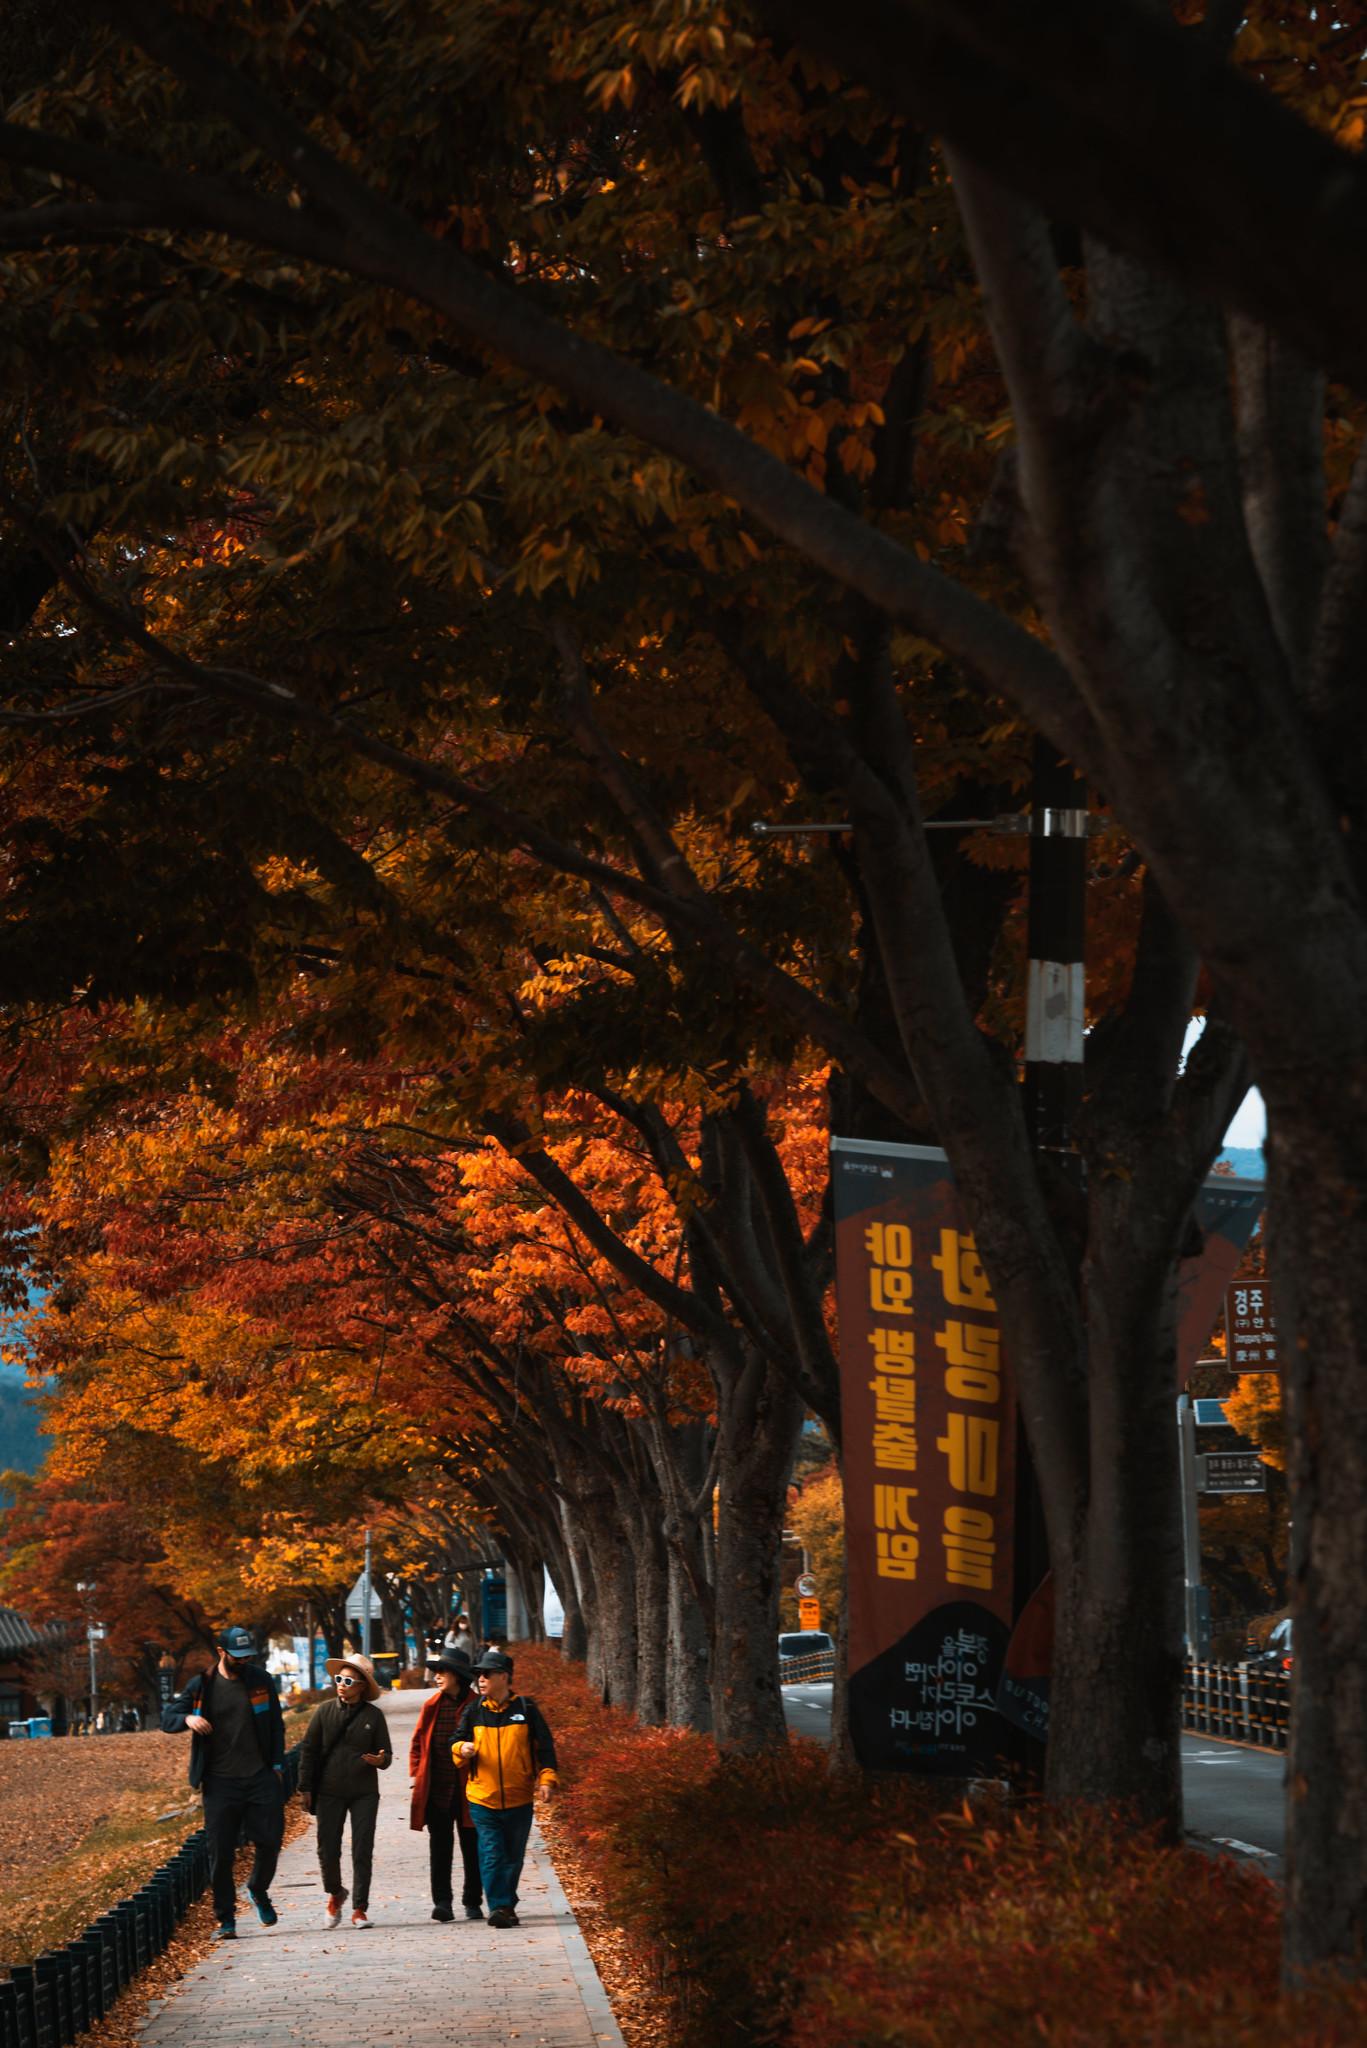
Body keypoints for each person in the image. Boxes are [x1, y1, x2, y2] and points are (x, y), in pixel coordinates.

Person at [161, 1624, 287, 1941]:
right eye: (237, 1655)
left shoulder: (261, 1681)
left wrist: (277, 1766)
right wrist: (188, 1718)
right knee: (221, 1853)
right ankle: (226, 1920)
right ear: (221, 1652)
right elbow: (168, 1718)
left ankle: (257, 1888)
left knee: (270, 1841)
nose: (243, 1661)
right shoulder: (201, 1686)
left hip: (260, 1776)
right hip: (220, 1783)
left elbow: (275, 1725)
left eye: (248, 1655)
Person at [454, 1648, 558, 1928]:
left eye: (487, 1674)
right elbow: (456, 1741)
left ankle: (506, 1904)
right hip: (482, 1798)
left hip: (519, 1798)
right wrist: (461, 1748)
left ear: (504, 1676)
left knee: (512, 1857)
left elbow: (545, 1750)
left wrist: (547, 1780)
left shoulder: (526, 1709)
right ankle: (499, 1906)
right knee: (491, 1852)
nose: (481, 1679)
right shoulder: (474, 1710)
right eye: (479, 1675)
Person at [298, 1653, 393, 1930]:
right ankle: (335, 1892)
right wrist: (305, 1787)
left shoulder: (373, 1716)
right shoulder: (324, 1712)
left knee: (362, 1848)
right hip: (328, 1790)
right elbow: (309, 1750)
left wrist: (381, 1760)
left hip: (364, 1791)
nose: (341, 1684)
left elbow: (386, 1754)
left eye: (348, 1680)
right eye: (339, 1679)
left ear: (362, 1685)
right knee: (327, 1848)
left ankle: (360, 1909)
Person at [409, 1648, 483, 1922]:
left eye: (443, 1672)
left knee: (473, 1848)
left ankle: (473, 1901)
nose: (437, 1676)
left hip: (471, 1790)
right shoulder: (431, 1705)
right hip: (437, 1790)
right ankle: (442, 1902)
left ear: (459, 1676)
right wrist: (418, 1775)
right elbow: (417, 1742)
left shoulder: (478, 1706)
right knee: (440, 1849)